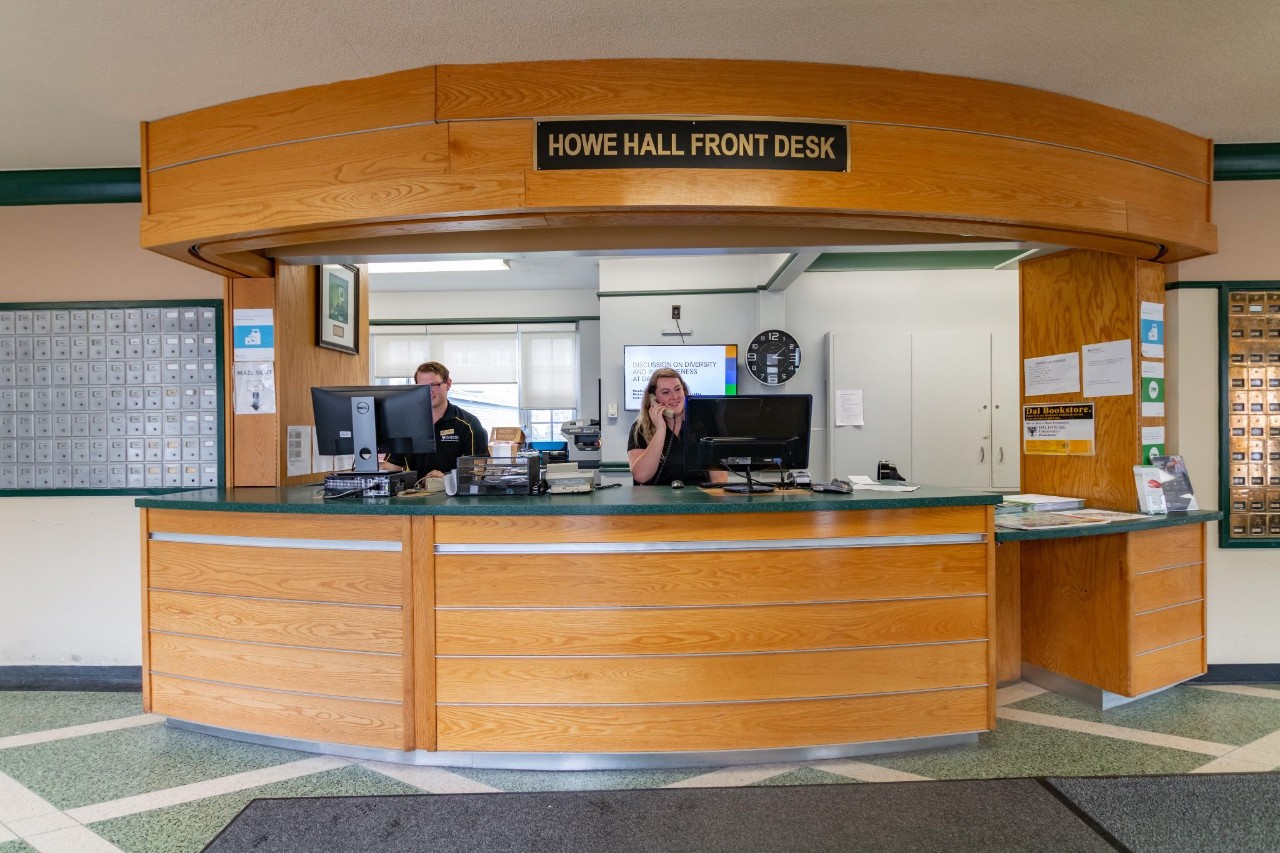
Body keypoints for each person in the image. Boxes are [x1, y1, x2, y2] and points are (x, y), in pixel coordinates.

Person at [387, 361, 488, 482]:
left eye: (434, 385)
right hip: (416, 494)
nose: (428, 391)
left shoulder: (468, 424)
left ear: (448, 384)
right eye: (422, 387)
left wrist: (447, 479)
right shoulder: (405, 425)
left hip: (455, 495)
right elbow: (391, 468)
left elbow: (478, 472)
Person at [627, 367, 726, 486]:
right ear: (654, 399)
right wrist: (660, 430)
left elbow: (719, 477)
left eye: (678, 389)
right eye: (665, 392)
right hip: (655, 501)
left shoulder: (704, 423)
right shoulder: (640, 428)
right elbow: (641, 476)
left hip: (697, 500)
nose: (674, 396)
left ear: (684, 390)